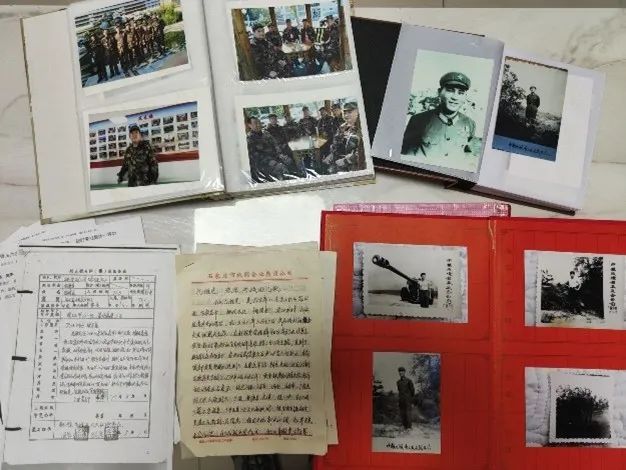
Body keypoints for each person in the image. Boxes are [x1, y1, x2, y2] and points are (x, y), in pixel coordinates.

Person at [401, 72, 476, 162]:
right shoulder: (418, 121)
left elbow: (467, 154)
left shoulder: (469, 124)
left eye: (461, 93)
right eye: (450, 90)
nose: (455, 97)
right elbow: (405, 155)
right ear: (439, 92)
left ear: (465, 97)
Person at [246, 116, 296, 182]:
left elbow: (275, 145)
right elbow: (255, 156)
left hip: (275, 157)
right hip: (263, 163)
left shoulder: (266, 133)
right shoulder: (249, 138)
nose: (258, 125)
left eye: (259, 122)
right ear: (249, 125)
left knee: (289, 161)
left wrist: (280, 155)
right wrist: (270, 161)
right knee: (280, 168)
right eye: (255, 123)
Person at [323, 102, 363, 174]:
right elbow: (336, 143)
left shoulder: (362, 129)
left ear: (358, 112)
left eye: (350, 112)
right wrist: (332, 154)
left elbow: (362, 153)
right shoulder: (343, 127)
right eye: (345, 113)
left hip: (355, 165)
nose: (346, 115)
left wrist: (345, 160)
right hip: (339, 161)